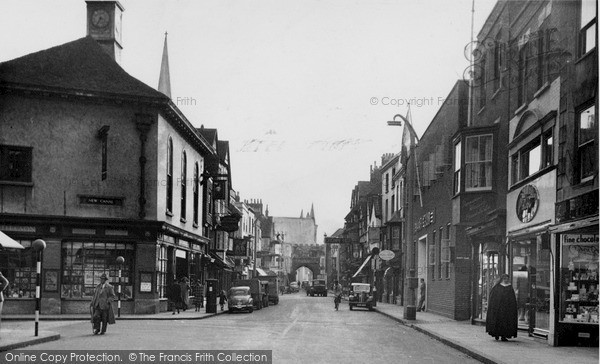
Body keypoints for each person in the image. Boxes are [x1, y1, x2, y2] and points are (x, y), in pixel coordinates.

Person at [486, 273, 518, 341]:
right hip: (498, 309)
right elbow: (493, 298)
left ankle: (504, 336)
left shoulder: (509, 287)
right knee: (498, 321)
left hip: (507, 309)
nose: (506, 280)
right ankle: (496, 334)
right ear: (502, 279)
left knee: (505, 322)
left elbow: (512, 299)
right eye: (505, 278)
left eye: (507, 278)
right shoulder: (497, 287)